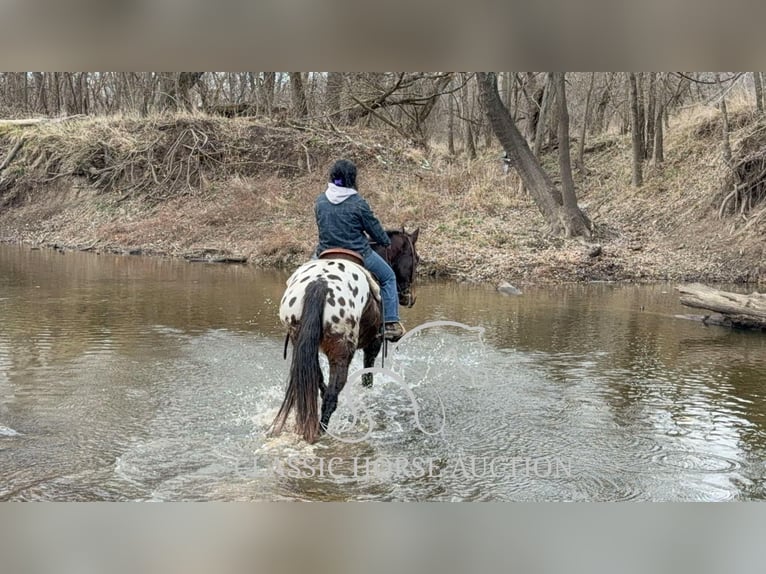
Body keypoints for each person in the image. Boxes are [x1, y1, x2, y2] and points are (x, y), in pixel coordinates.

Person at [314, 159, 405, 341]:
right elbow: (377, 233)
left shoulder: (320, 201)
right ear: (352, 179)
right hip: (358, 254)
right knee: (388, 278)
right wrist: (384, 240)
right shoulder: (358, 203)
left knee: (303, 277)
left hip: (324, 254)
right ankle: (390, 323)